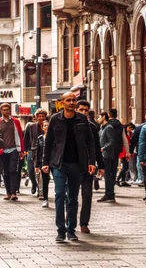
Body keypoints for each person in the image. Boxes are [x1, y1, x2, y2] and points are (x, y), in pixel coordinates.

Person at [42, 92, 95, 242]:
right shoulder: (55, 119)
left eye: (74, 100)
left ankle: (71, 230)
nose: (72, 103)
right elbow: (49, 142)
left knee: (72, 198)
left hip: (77, 164)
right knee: (59, 195)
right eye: (68, 100)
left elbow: (90, 142)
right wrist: (45, 162)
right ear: (62, 102)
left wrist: (91, 161)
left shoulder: (82, 119)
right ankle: (61, 230)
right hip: (59, 163)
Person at [76, 100, 104, 234]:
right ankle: (70, 222)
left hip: (88, 166)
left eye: (86, 110)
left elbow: (96, 147)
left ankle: (84, 223)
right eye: (81, 110)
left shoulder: (93, 127)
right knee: (71, 196)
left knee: (87, 195)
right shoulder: (69, 124)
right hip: (73, 165)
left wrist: (101, 165)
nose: (83, 112)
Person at [0, 103, 25, 201]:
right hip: (3, 150)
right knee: (5, 171)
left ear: (10, 110)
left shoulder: (15, 121)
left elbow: (20, 135)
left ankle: (13, 192)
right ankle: (8, 192)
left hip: (14, 149)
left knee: (13, 170)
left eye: (7, 109)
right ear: (1, 111)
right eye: (3, 110)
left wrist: (22, 150)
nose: (5, 111)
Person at [24, 109, 48, 196]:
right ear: (36, 117)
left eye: (43, 116)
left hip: (43, 151)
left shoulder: (48, 126)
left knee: (41, 172)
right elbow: (26, 139)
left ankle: (40, 190)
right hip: (32, 150)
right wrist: (25, 150)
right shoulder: (31, 126)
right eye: (39, 116)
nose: (41, 118)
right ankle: (34, 184)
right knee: (30, 171)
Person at [97, 112, 117, 203]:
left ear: (104, 117)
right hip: (103, 154)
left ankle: (109, 194)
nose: (98, 119)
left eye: (99, 117)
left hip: (106, 154)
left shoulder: (109, 128)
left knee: (107, 174)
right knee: (106, 174)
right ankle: (108, 193)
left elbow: (112, 141)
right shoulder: (102, 128)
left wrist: (103, 148)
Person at [34, 121, 50, 207]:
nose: (46, 127)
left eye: (48, 125)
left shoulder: (53, 137)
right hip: (43, 162)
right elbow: (37, 152)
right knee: (45, 180)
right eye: (45, 126)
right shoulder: (40, 138)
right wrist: (37, 165)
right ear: (42, 128)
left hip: (53, 161)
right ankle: (45, 198)